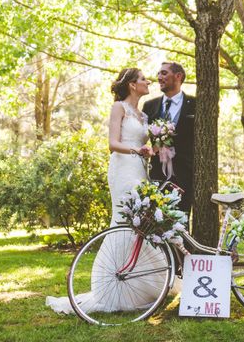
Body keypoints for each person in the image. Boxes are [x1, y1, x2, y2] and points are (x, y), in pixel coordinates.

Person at [46, 68, 163, 314]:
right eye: (143, 79)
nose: (148, 81)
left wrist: (150, 150)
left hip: (140, 170)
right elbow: (112, 144)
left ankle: (141, 285)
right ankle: (114, 286)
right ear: (132, 85)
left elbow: (144, 144)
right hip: (123, 170)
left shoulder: (143, 115)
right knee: (123, 220)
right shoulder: (118, 108)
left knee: (140, 224)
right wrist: (136, 151)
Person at [142, 62, 195, 215]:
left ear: (178, 76)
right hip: (157, 175)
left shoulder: (195, 104)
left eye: (164, 73)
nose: (159, 77)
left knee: (181, 223)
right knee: (155, 222)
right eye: (158, 74)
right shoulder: (149, 106)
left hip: (184, 176)